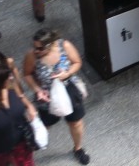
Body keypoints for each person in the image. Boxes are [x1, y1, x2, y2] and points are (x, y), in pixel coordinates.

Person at [23, 28, 91, 165]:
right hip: (46, 96)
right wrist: (37, 90)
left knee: (75, 122)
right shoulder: (32, 56)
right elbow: (27, 74)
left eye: (40, 48)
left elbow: (77, 62)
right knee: (44, 125)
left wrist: (67, 74)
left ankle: (78, 148)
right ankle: (29, 151)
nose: (36, 51)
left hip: (69, 89)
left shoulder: (64, 46)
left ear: (51, 44)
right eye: (34, 47)